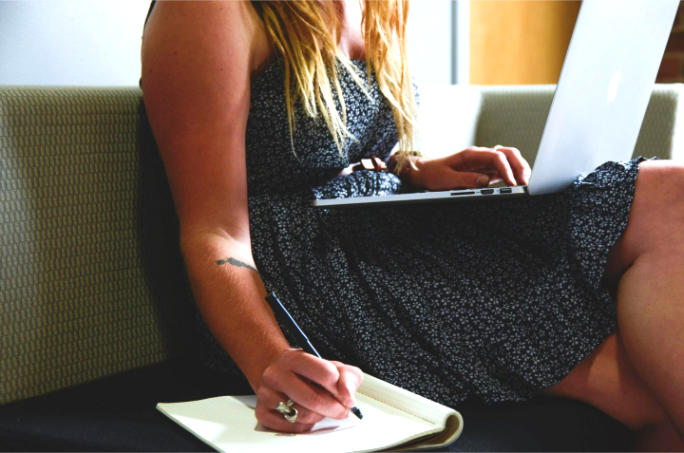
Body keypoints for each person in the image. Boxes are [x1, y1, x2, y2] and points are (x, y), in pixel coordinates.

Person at [140, 0, 683, 448]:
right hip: (304, 275)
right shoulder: (209, 10)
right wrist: (270, 361)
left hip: (379, 228)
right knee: (646, 394)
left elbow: (337, 148)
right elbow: (214, 231)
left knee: (671, 190)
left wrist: (417, 170)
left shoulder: (380, 5)